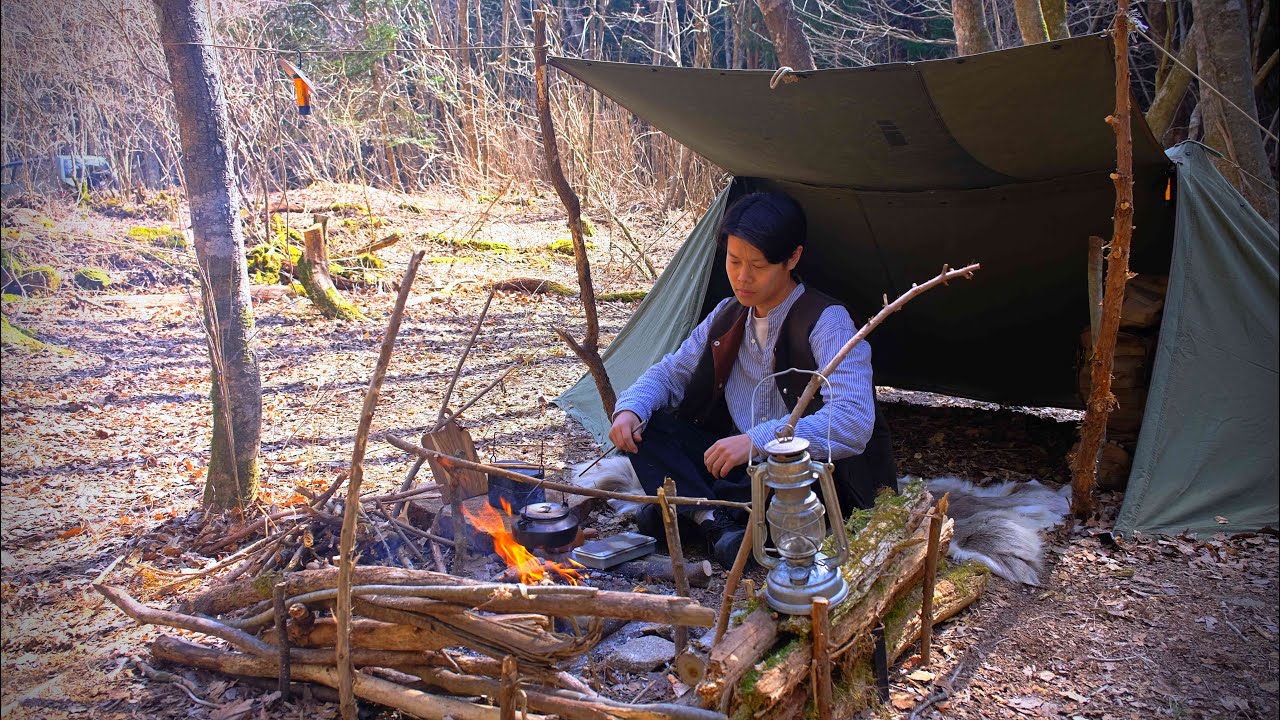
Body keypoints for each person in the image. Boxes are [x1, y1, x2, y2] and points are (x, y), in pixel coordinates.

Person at [608, 190, 896, 567]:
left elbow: (854, 421)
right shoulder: (728, 313)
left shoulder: (828, 322)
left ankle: (692, 511)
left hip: (801, 473)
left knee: (783, 489)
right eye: (733, 260)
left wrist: (758, 441)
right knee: (651, 427)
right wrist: (630, 408)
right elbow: (671, 373)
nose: (742, 278)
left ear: (792, 257)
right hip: (740, 465)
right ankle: (712, 521)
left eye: (757, 265)